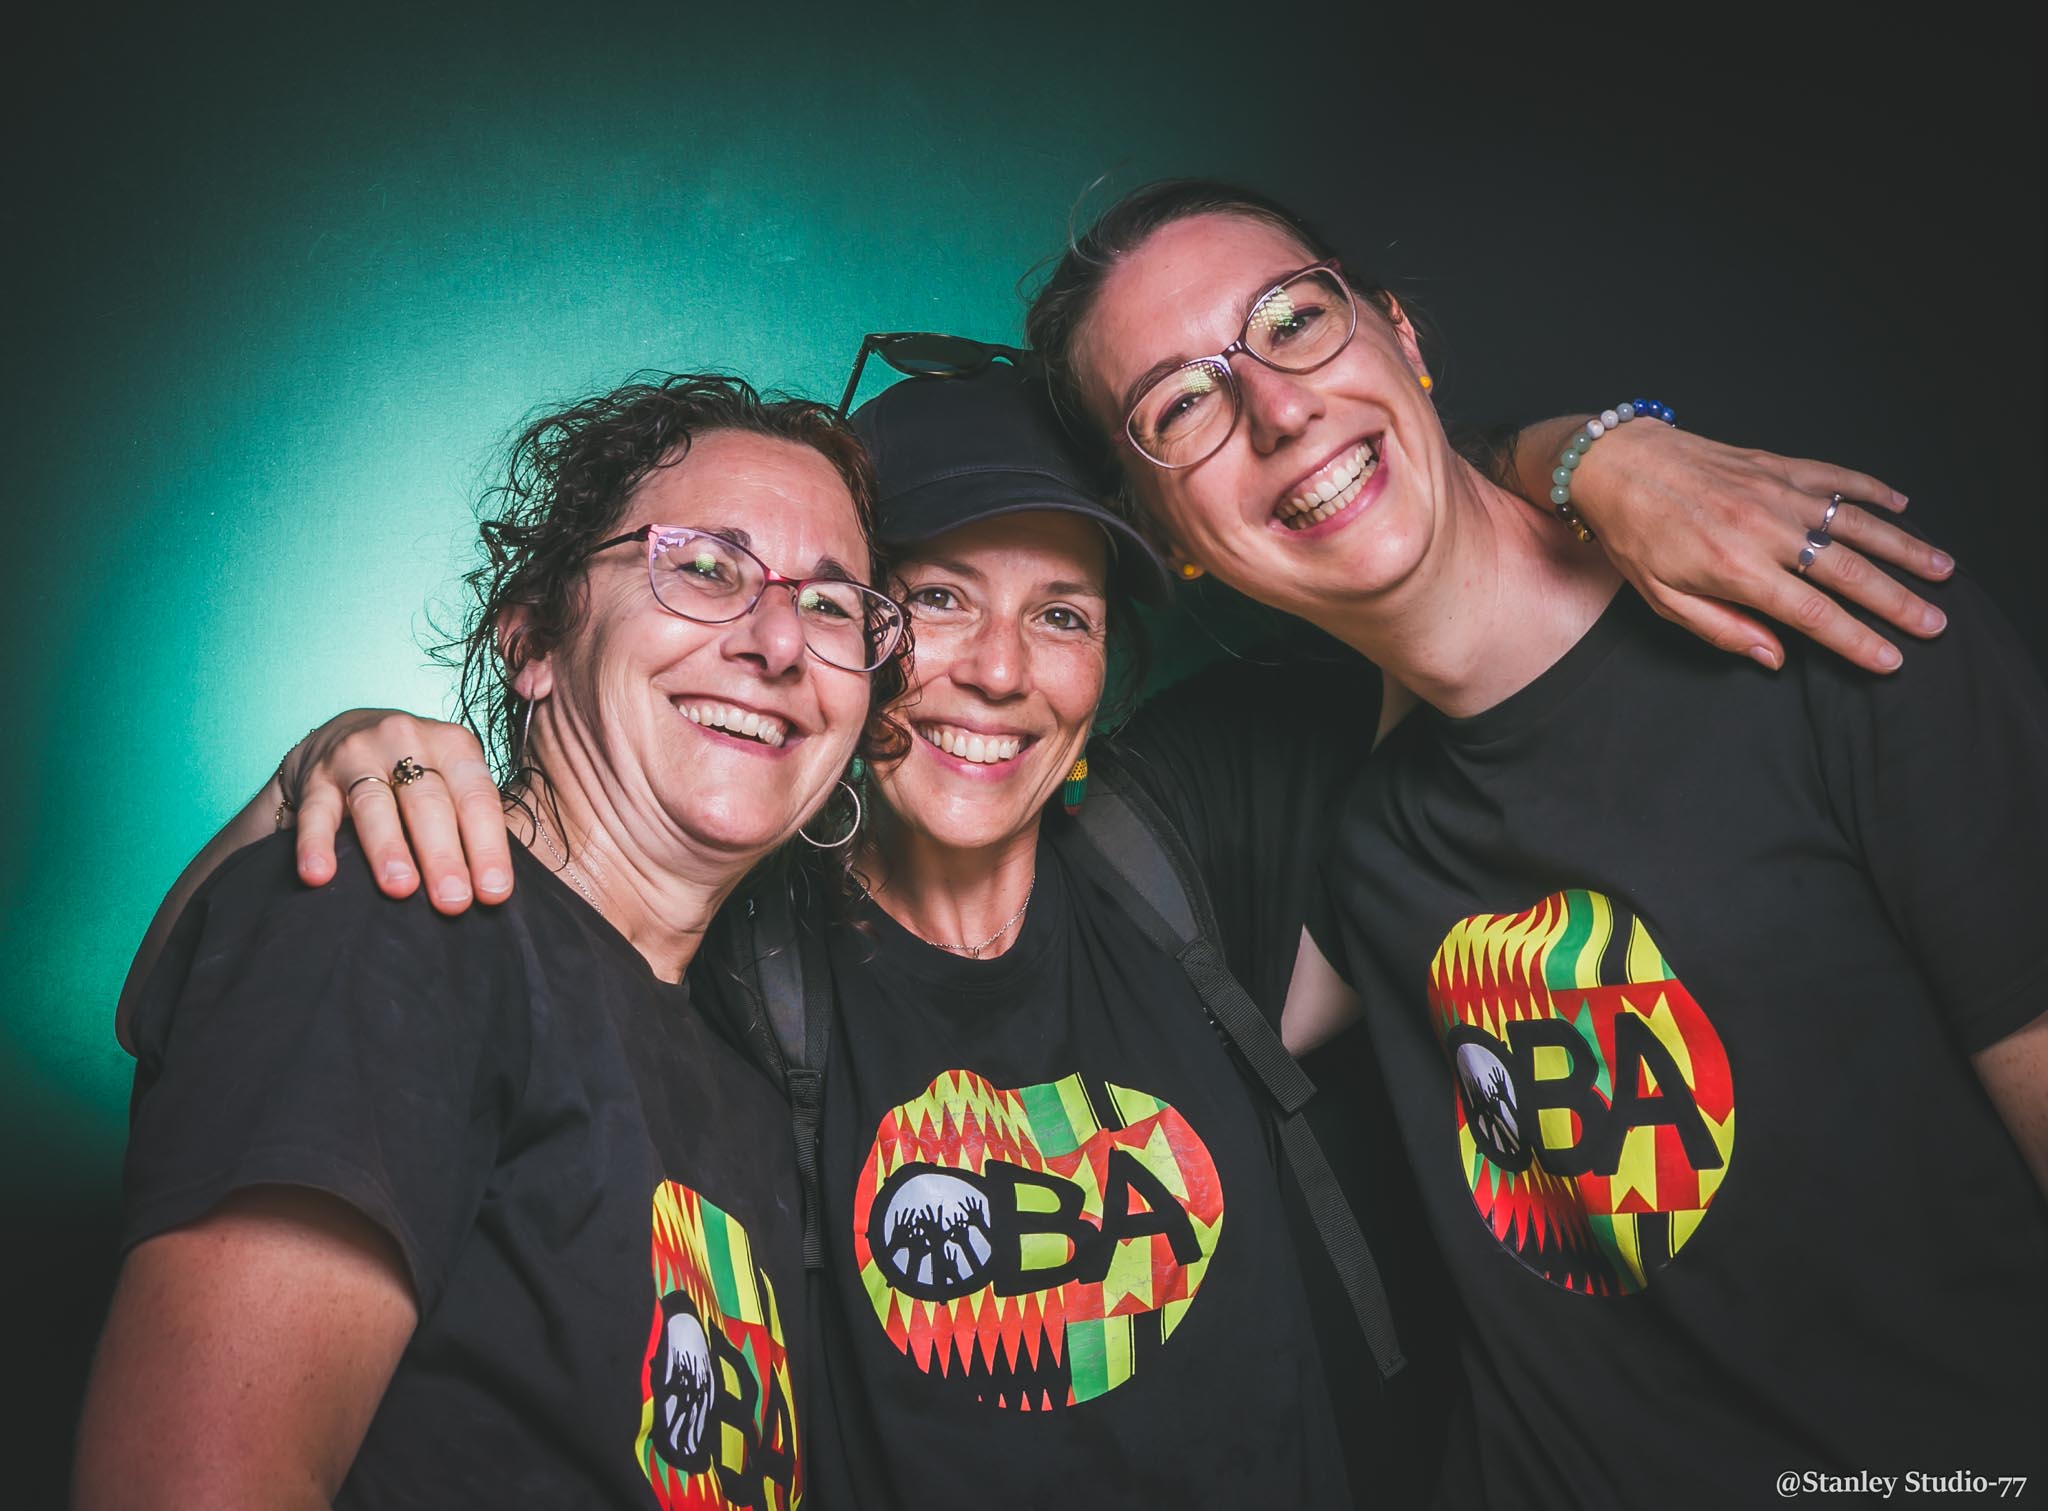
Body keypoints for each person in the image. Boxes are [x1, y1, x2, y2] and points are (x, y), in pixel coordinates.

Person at [191, 342, 1956, 1506]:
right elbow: (245, 1018)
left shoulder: (1188, 854)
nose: (993, 670)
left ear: (1114, 668)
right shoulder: (726, 943)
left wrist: (1592, 454)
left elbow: (1428, 571)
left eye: (1063, 613)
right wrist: (319, 783)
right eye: (934, 599)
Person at [1018, 178, 2048, 1506]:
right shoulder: (1339, 828)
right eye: (1179, 407)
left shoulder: (1825, 627)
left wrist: (1597, 452)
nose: (1276, 408)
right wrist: (1581, 452)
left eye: (1293, 321)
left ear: (1399, 332)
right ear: (1169, 540)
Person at [74, 373, 911, 1509]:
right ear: (535, 643)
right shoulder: (403, 907)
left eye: (830, 604)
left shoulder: (756, 1095)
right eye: (707, 567)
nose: (777, 641)